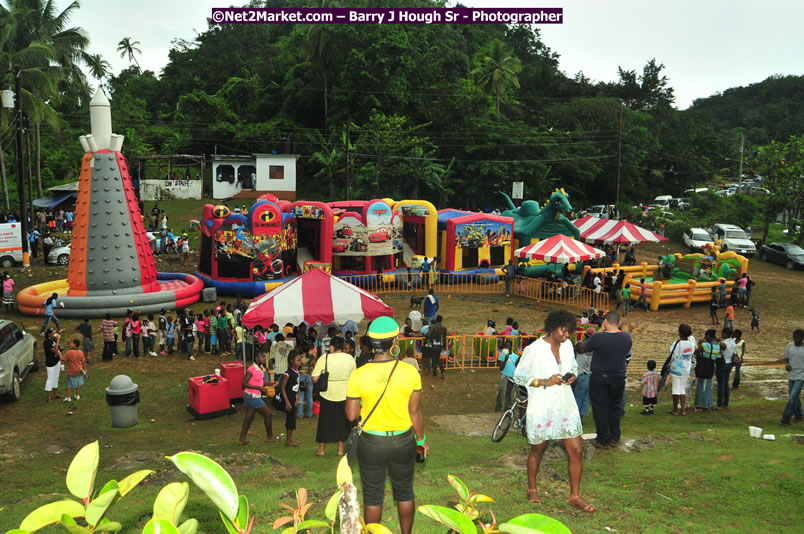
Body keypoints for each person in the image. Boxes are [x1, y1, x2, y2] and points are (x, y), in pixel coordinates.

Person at [345, 317, 426, 534]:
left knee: (373, 496)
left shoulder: (358, 375)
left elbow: (352, 415)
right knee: (405, 492)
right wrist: (422, 440)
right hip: (403, 441)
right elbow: (415, 411)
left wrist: (364, 400)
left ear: (370, 342)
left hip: (371, 443)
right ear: (395, 342)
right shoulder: (410, 372)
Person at [513, 310, 594, 512]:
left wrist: (572, 375)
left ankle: (575, 496)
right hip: (542, 406)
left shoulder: (567, 346)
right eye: (563, 331)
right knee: (538, 449)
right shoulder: (534, 349)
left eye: (569, 332)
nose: (566, 336)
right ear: (552, 327)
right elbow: (519, 376)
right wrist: (544, 381)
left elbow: (574, 366)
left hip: (565, 404)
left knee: (576, 450)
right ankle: (532, 488)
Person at [577, 311, 632, 449]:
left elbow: (584, 348)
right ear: (619, 323)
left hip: (600, 377)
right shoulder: (626, 338)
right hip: (618, 377)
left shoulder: (598, 337)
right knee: (615, 407)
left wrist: (600, 329)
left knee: (600, 408)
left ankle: (603, 438)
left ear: (605, 321)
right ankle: (615, 435)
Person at [313, 336, 357, 456]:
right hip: (344, 393)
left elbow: (315, 378)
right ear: (342, 347)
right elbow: (354, 377)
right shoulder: (350, 359)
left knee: (324, 422)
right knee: (342, 422)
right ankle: (340, 450)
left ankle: (321, 450)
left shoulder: (324, 358)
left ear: (331, 346)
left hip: (327, 393)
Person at [667, 324, 696, 416]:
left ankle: (675, 409)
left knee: (676, 389)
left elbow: (671, 351)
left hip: (677, 368)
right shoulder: (692, 344)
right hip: (687, 368)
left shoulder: (677, 344)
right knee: (682, 388)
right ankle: (683, 410)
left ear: (680, 333)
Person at [694, 329, 722, 412]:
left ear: (709, 336)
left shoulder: (705, 345)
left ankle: (703, 405)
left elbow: (696, 352)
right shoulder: (718, 346)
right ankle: (709, 403)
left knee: (702, 386)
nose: (705, 337)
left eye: (706, 335)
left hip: (703, 366)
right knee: (709, 386)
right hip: (712, 366)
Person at [780, 329, 804, 426]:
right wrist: (787, 364)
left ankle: (785, 419)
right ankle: (799, 414)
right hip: (791, 374)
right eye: (794, 337)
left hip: (801, 375)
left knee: (793, 396)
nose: (795, 339)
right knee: (793, 395)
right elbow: (787, 358)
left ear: (802, 338)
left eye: (797, 338)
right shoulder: (790, 345)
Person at [571, 327, 595, 421]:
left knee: (577, 397)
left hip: (580, 375)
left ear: (585, 335)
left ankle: (576, 418)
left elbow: (576, 349)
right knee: (585, 398)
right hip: (590, 375)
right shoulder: (595, 349)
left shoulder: (579, 346)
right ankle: (581, 417)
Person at [281, 351, 302, 447]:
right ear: (291, 361)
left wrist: (297, 396)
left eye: (300, 360)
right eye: (297, 360)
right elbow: (283, 387)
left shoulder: (297, 372)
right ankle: (288, 440)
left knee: (292, 418)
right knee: (290, 419)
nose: (299, 362)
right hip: (288, 398)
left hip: (293, 397)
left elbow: (296, 386)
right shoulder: (287, 373)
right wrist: (287, 401)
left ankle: (290, 439)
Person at [495, 339, 518, 412]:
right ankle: (498, 407)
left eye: (509, 347)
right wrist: (505, 360)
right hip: (504, 375)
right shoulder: (502, 355)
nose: (507, 348)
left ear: (512, 347)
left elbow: (517, 366)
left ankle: (507, 407)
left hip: (512, 376)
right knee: (501, 390)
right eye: (506, 347)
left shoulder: (515, 356)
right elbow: (501, 368)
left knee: (509, 391)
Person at [424, 315, 447, 379]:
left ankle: (435, 372)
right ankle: (442, 372)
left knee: (434, 358)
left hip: (433, 345)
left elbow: (428, 334)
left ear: (436, 319)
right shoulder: (444, 327)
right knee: (437, 358)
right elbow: (445, 336)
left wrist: (424, 335)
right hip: (440, 345)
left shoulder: (433, 327)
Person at [297, 341, 315, 419]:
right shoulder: (311, 356)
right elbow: (315, 365)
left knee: (300, 396)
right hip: (310, 376)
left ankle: (300, 414)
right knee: (309, 396)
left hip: (301, 377)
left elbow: (297, 366)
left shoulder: (299, 357)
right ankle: (309, 413)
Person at [44, 328, 63, 403]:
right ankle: (48, 397)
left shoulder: (54, 340)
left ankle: (56, 393)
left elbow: (59, 349)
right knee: (50, 379)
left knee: (56, 377)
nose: (55, 335)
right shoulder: (47, 342)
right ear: (49, 334)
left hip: (56, 361)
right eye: (53, 333)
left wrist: (61, 358)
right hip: (50, 363)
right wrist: (58, 340)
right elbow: (55, 350)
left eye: (55, 333)